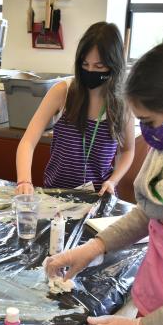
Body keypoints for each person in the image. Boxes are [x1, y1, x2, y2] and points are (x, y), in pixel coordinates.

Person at [45, 39, 163, 325]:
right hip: (152, 315)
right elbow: (150, 212)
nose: (147, 135)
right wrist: (93, 248)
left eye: (149, 122)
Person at [16, 22, 135, 196]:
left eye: (99, 66)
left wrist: (113, 180)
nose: (90, 70)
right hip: (57, 195)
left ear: (113, 66)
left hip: (99, 196)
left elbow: (128, 150)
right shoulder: (63, 91)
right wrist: (24, 180)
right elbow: (28, 141)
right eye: (85, 64)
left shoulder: (122, 103)